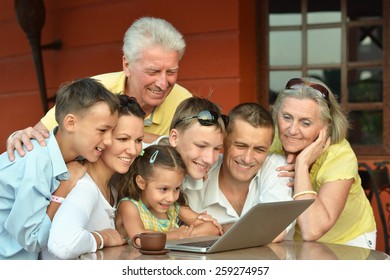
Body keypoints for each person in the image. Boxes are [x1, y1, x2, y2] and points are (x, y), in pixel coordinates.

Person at [6, 16, 192, 160]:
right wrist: (20, 135)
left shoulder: (184, 103)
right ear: (127, 65)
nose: (162, 83)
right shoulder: (94, 91)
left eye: (171, 72)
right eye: (153, 71)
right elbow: (41, 135)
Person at [0, 77, 119, 259]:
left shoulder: (76, 155)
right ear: (71, 123)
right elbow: (32, 240)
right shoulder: (37, 161)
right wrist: (64, 188)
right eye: (102, 130)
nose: (109, 141)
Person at [270, 77, 376, 249]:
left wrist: (302, 165)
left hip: (347, 241)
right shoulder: (273, 138)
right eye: (286, 117)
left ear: (326, 125)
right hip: (294, 241)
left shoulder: (340, 155)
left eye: (306, 122)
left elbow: (313, 230)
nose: (292, 130)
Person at [46, 95, 145, 259]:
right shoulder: (85, 187)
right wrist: (102, 238)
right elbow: (62, 245)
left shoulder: (110, 186)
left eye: (139, 140)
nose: (133, 150)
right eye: (122, 139)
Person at [183, 103, 293, 240]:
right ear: (224, 140)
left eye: (259, 149)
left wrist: (218, 230)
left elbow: (271, 230)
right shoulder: (198, 169)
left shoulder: (277, 166)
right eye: (241, 146)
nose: (247, 159)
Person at [115, 145, 222, 242]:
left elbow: (212, 229)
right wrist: (173, 236)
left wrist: (182, 235)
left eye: (177, 188)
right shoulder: (129, 206)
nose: (171, 198)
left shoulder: (173, 208)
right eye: (164, 189)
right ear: (141, 183)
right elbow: (139, 238)